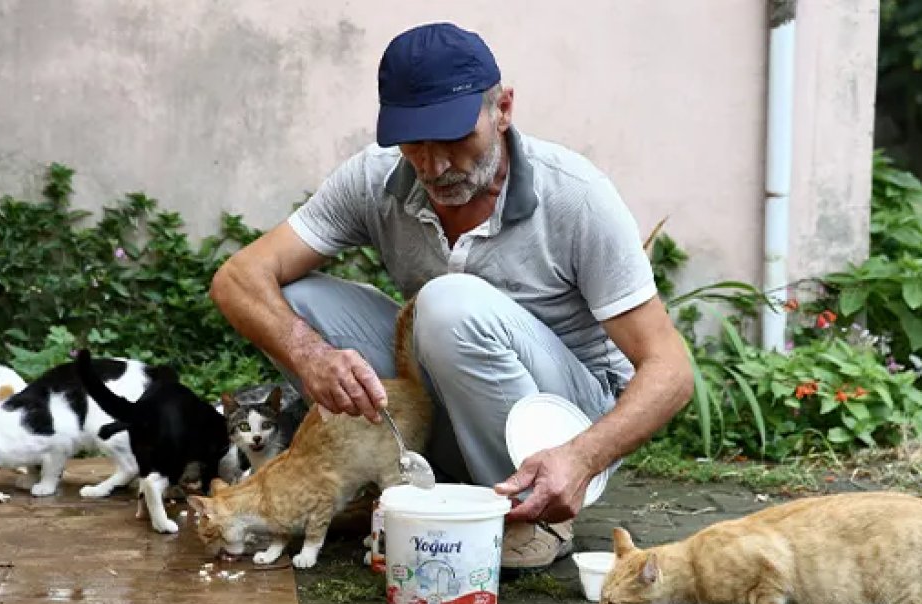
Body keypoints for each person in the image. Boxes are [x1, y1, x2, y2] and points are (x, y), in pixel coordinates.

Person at [209, 22, 693, 569]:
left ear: (502, 109)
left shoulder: (576, 198)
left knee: (447, 306)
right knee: (293, 301)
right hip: (450, 392)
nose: (434, 166)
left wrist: (581, 457)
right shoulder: (376, 179)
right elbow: (237, 278)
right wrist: (309, 356)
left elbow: (671, 370)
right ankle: (408, 477)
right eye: (414, 143)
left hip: (564, 424)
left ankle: (531, 515)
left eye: (455, 138)